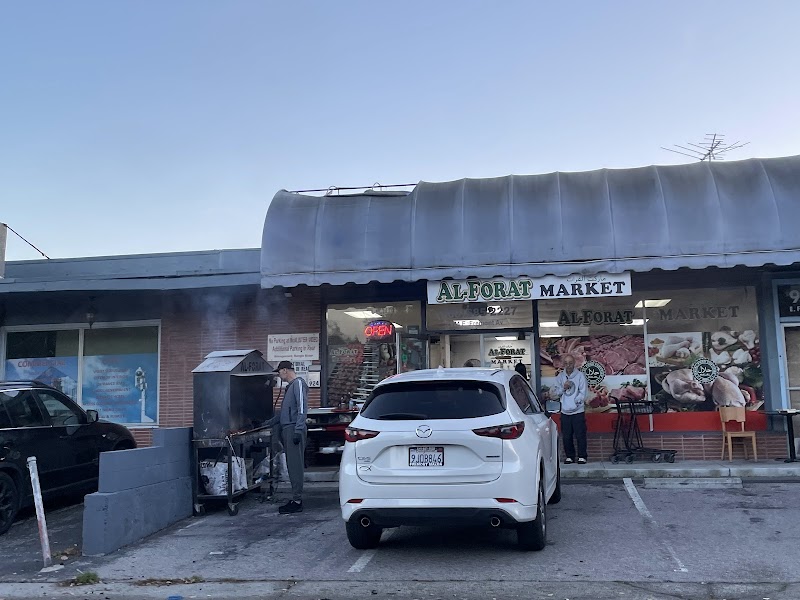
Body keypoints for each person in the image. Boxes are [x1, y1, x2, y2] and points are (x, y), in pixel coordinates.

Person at [263, 360, 309, 514]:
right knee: (291, 465)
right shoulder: (290, 388)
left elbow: (303, 408)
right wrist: (265, 423)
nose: (278, 375)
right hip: (288, 428)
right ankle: (296, 498)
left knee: (295, 466)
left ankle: (297, 501)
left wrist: (298, 429)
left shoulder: (298, 384)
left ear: (284, 370)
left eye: (279, 372)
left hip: (293, 429)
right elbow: (283, 414)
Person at [551, 355, 588, 464]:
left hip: (578, 411)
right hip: (565, 411)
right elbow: (556, 393)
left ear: (574, 363)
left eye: (570, 363)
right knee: (566, 436)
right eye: (566, 363)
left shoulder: (580, 376)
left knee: (580, 435)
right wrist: (564, 388)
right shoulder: (560, 377)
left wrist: (576, 403)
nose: (568, 366)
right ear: (563, 364)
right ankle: (569, 456)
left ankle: (582, 456)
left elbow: (583, 393)